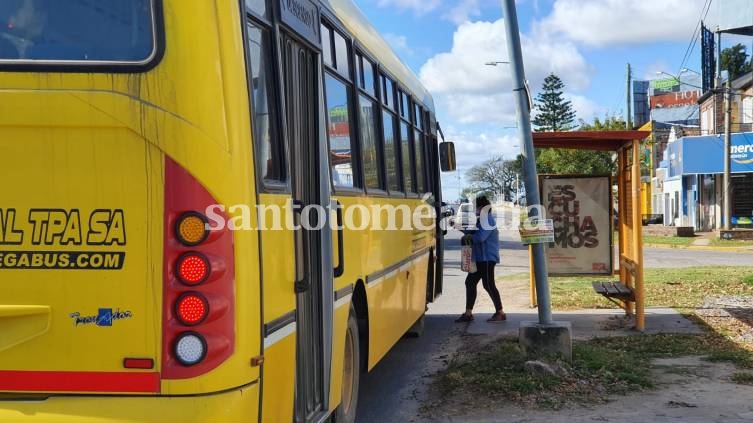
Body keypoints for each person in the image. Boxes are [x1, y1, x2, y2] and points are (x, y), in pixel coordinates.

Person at [455, 195, 506, 323]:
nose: (475, 210)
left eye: (476, 207)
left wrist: (468, 237)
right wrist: (458, 227)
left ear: (482, 207)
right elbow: (473, 234)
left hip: (487, 258)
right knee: (470, 282)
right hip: (479, 258)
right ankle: (468, 313)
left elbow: (480, 237)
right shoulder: (481, 220)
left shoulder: (487, 220)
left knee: (488, 285)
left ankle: (500, 312)